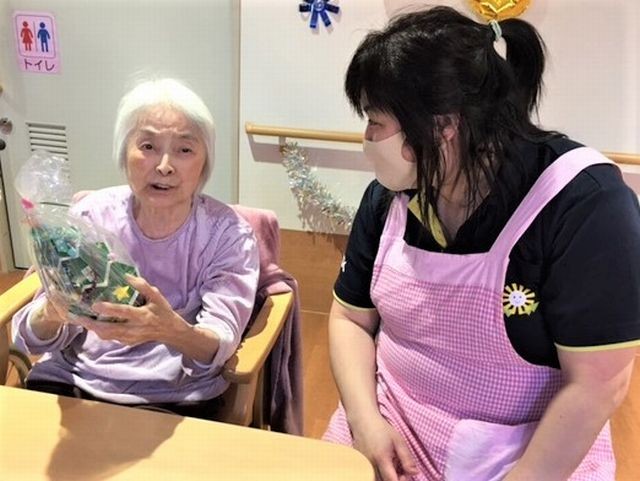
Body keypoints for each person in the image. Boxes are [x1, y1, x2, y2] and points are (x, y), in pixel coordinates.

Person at [323, 6, 640, 481]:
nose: (366, 139)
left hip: (527, 456)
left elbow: (598, 384)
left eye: (375, 121)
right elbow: (350, 317)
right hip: (390, 428)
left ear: (442, 126)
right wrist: (365, 422)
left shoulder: (582, 203)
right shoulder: (391, 196)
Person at [12, 78, 260, 420]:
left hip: (174, 397)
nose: (164, 166)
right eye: (148, 146)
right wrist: (53, 312)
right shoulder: (88, 216)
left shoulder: (227, 234)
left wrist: (170, 330)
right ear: (123, 152)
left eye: (184, 150)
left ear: (205, 162)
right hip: (72, 382)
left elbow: (220, 341)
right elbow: (32, 338)